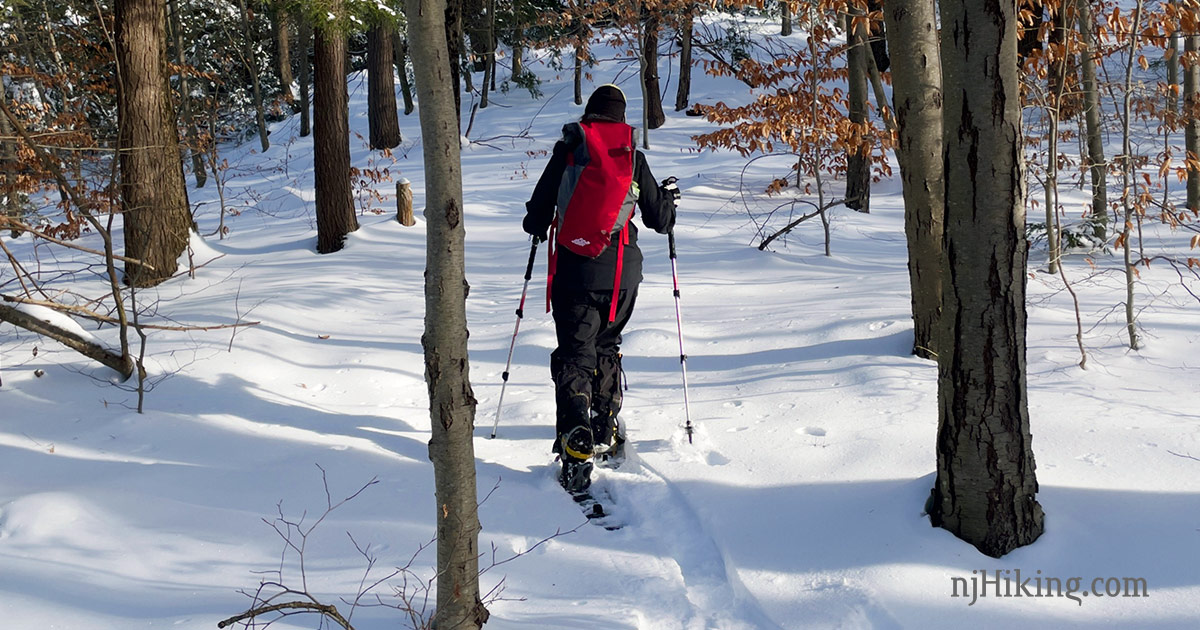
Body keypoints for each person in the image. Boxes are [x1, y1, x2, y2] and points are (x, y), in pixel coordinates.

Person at [523, 84, 679, 493]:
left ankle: (576, 434)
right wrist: (668, 200)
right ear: (622, 118)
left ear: (589, 116)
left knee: (576, 353)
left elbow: (536, 217)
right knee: (607, 345)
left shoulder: (568, 151)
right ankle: (603, 426)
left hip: (576, 271)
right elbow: (660, 220)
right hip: (623, 274)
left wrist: (545, 219)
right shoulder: (632, 158)